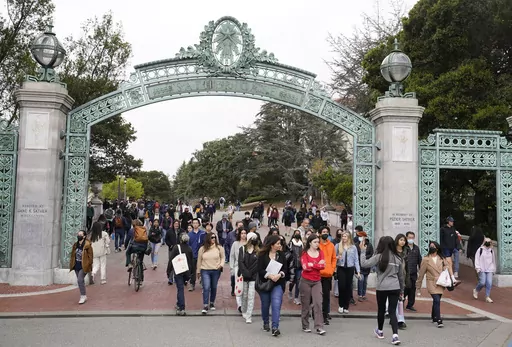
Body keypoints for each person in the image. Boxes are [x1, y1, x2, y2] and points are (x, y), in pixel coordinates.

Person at [360, 236, 404, 345]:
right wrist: (402, 290)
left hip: (382, 287)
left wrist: (362, 251)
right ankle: (395, 335)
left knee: (381, 309)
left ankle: (380, 331)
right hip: (395, 286)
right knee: (393, 311)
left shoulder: (378, 257)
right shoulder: (397, 258)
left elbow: (364, 264)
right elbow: (401, 277)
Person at [416, 241, 458, 328]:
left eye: (433, 246)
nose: (432, 247)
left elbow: (448, 267)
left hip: (441, 282)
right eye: (430, 246)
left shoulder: (441, 258)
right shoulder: (425, 259)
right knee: (436, 300)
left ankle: (433, 316)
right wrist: (418, 288)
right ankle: (439, 319)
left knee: (437, 300)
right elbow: (421, 274)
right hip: (431, 282)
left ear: (437, 248)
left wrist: (451, 277)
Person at [257, 235, 288, 337]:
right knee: (265, 305)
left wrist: (279, 275)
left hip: (277, 283)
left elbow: (285, 269)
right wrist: (269, 275)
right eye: (278, 243)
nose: (280, 245)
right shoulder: (262, 255)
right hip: (265, 283)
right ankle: (266, 322)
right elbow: (259, 269)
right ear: (272, 245)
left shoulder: (281, 255)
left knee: (276, 303)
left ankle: (275, 327)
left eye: (280, 243)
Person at [300, 234, 327, 335]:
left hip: (317, 281)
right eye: (315, 242)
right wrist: (317, 264)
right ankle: (305, 325)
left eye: (318, 242)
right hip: (305, 280)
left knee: (318, 303)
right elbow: (305, 267)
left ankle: (319, 326)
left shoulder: (321, 253)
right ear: (310, 243)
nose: (317, 244)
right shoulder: (304, 253)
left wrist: (313, 264)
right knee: (305, 304)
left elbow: (323, 266)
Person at [197, 232, 225, 314]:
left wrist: (221, 265)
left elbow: (223, 257)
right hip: (205, 269)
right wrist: (198, 271)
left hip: (216, 270)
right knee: (206, 286)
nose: (213, 239)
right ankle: (205, 305)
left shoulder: (219, 248)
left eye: (214, 237)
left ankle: (212, 302)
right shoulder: (202, 249)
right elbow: (199, 260)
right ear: (208, 238)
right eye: (212, 237)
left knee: (214, 287)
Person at [167, 233, 193, 315]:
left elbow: (171, 260)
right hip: (186, 271)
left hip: (178, 270)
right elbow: (191, 262)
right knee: (181, 288)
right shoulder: (189, 249)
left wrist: (168, 271)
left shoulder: (176, 248)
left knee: (180, 289)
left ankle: (182, 307)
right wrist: (191, 273)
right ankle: (179, 304)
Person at [336, 231, 360, 313]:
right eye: (343, 236)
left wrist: (358, 271)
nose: (344, 238)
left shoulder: (353, 247)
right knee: (341, 286)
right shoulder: (338, 246)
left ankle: (346, 306)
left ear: (349, 237)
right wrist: (337, 258)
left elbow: (356, 259)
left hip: (350, 268)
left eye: (345, 236)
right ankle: (341, 305)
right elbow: (333, 257)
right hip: (341, 267)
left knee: (348, 287)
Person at [239, 232, 259, 323]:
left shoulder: (258, 251)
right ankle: (243, 309)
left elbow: (257, 264)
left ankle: (249, 315)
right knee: (245, 294)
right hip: (244, 276)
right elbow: (240, 262)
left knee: (251, 295)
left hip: (253, 277)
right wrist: (245, 272)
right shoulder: (242, 249)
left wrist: (251, 272)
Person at [69, 230, 93, 304]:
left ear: (84, 236)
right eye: (78, 234)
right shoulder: (75, 245)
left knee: (79, 280)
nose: (78, 236)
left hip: (84, 265)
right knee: (81, 281)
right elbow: (73, 255)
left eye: (80, 234)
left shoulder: (87, 245)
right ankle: (84, 295)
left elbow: (90, 256)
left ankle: (83, 296)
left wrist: (89, 264)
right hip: (76, 265)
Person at [318, 226, 336, 326]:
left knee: (326, 296)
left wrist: (332, 269)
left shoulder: (331, 245)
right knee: (316, 295)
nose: (325, 233)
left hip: (328, 275)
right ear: (320, 233)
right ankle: (316, 313)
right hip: (318, 274)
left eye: (327, 232)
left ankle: (325, 315)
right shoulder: (317, 245)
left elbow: (334, 258)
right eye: (323, 231)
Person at [473, 237, 496, 303]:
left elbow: (493, 260)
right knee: (482, 282)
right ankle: (476, 290)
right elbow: (477, 259)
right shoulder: (480, 250)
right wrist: (478, 268)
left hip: (489, 269)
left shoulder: (491, 251)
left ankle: (487, 296)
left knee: (489, 282)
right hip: (482, 268)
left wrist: (494, 269)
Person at [355, 228, 373, 302]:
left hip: (366, 266)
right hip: (359, 266)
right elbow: (355, 255)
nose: (360, 238)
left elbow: (371, 254)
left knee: (365, 281)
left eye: (361, 236)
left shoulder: (369, 245)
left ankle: (363, 294)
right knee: (361, 280)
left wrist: (364, 257)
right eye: (359, 236)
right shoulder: (356, 245)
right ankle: (360, 294)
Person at [230, 225, 247, 306]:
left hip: (248, 268)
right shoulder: (235, 244)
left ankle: (244, 303)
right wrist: (232, 268)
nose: (243, 235)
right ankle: (239, 305)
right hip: (238, 267)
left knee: (246, 286)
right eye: (242, 233)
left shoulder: (249, 244)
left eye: (245, 233)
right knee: (238, 286)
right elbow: (232, 256)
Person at [404, 231, 422, 311]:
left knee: (412, 289)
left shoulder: (416, 248)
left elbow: (419, 260)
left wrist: (421, 270)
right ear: (406, 237)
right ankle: (401, 303)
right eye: (409, 237)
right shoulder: (404, 248)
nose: (411, 239)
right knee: (404, 289)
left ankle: (410, 305)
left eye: (412, 237)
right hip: (405, 272)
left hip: (413, 272)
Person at [188, 218, 207, 291]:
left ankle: (202, 282)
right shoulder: (189, 234)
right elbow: (188, 245)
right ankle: (192, 284)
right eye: (194, 223)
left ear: (199, 224)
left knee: (202, 269)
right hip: (193, 255)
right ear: (192, 224)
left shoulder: (202, 233)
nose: (195, 224)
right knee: (192, 270)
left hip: (201, 255)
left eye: (196, 223)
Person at [288, 229, 303, 305]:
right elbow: (288, 253)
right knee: (292, 281)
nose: (297, 234)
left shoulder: (302, 244)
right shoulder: (291, 243)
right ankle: (290, 290)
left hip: (300, 265)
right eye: (296, 233)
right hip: (292, 265)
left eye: (298, 233)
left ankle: (296, 297)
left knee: (298, 281)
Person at [165, 220, 180, 285]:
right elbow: (166, 239)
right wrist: (170, 245)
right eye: (175, 224)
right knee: (171, 263)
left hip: (179, 249)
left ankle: (177, 278)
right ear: (173, 224)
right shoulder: (169, 231)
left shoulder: (181, 231)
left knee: (178, 263)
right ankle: (170, 278)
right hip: (171, 249)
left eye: (177, 224)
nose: (176, 225)